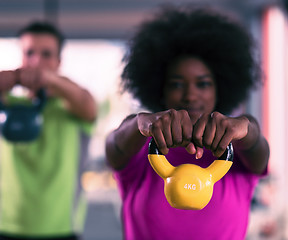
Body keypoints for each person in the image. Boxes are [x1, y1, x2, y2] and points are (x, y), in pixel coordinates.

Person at [105, 6, 270, 240]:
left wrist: (246, 128)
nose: (190, 96)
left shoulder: (237, 152)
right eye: (177, 84)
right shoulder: (141, 148)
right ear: (160, 91)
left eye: (202, 84)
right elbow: (114, 147)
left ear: (219, 89)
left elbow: (257, 147)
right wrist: (139, 123)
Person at [0, 22, 97, 240]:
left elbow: (87, 104)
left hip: (62, 230)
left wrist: (48, 79)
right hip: (8, 228)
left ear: (58, 62)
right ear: (21, 58)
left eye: (46, 54)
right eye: (29, 53)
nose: (37, 60)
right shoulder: (7, 105)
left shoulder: (69, 107)